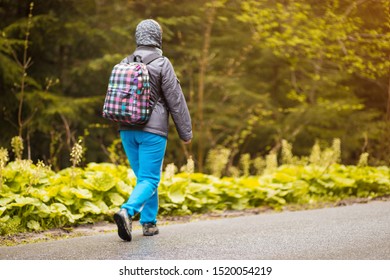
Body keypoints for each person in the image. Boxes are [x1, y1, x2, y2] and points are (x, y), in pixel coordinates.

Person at [113, 19, 193, 242]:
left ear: (138, 37)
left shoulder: (125, 62)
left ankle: (149, 223)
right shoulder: (162, 63)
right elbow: (176, 100)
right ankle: (127, 212)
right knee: (149, 178)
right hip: (153, 131)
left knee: (145, 178)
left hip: (127, 129)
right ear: (158, 37)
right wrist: (185, 133)